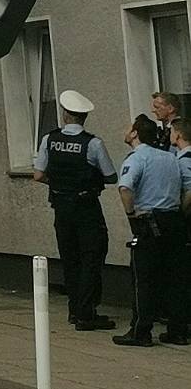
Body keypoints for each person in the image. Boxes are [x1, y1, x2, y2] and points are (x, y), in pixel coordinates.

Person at [33, 91, 118, 330]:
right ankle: (86, 313)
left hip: (61, 207)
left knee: (69, 257)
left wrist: (59, 184)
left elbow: (38, 175)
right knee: (92, 256)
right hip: (86, 207)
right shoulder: (93, 143)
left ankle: (74, 310)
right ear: (84, 118)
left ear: (64, 114)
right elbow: (111, 177)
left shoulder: (49, 139)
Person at [112, 114, 191, 347]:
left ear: (135, 133)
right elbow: (188, 190)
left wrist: (131, 215)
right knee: (175, 278)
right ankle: (177, 331)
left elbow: (125, 188)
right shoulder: (170, 157)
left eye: (129, 128)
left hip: (149, 221)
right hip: (174, 222)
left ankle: (140, 331)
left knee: (143, 279)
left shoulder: (137, 158)